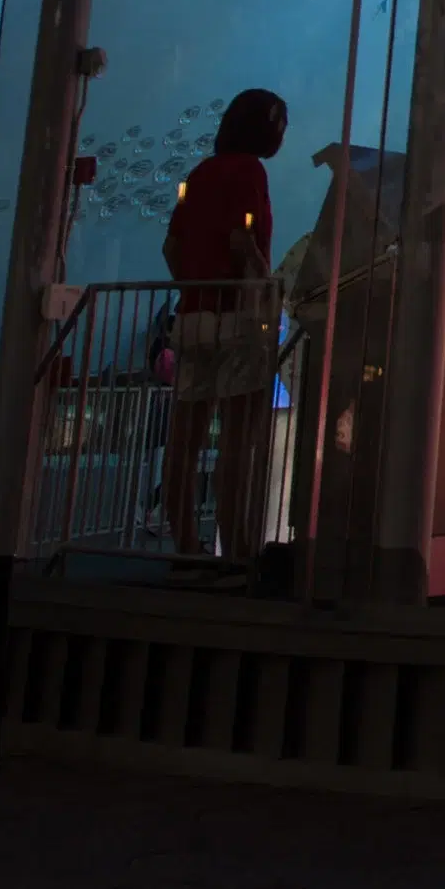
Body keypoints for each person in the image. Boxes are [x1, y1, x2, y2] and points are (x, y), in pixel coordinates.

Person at [161, 91, 287, 558]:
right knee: (238, 440)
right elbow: (243, 240)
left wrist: (193, 290)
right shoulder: (249, 171)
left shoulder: (199, 174)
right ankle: (237, 550)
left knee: (185, 441)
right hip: (238, 320)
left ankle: (186, 548)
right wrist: (264, 289)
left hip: (191, 320)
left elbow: (171, 248)